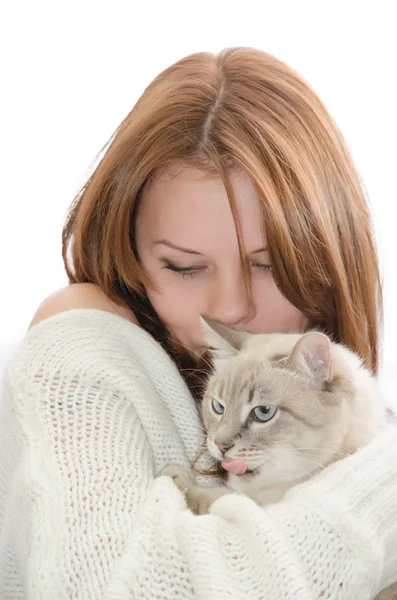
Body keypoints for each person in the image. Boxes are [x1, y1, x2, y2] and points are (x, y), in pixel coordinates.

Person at [0, 47, 396, 600]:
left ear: (328, 261)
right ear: (129, 255)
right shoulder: (85, 342)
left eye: (268, 265)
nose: (230, 308)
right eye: (185, 267)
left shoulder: (354, 421)